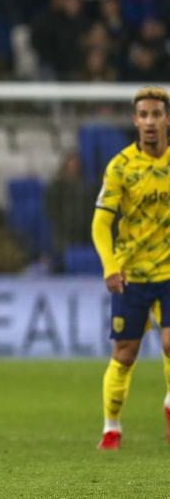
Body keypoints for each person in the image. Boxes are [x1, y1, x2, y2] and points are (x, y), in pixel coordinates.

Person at [92, 86, 170, 450]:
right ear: (135, 121)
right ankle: (112, 426)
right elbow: (100, 223)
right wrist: (110, 265)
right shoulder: (121, 166)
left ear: (166, 119)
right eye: (144, 115)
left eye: (156, 114)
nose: (150, 122)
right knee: (125, 353)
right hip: (132, 274)